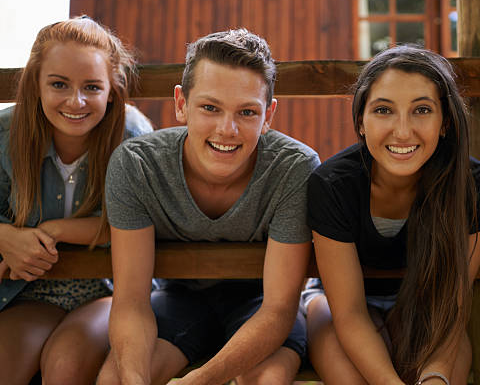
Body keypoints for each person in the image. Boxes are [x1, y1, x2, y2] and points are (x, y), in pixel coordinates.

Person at [97, 28, 320, 385]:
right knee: (116, 379)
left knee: (268, 380)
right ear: (181, 104)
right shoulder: (137, 164)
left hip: (260, 302)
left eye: (247, 112)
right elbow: (131, 302)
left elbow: (278, 309)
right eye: (210, 108)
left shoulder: (295, 168)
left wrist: (199, 381)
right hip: (177, 297)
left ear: (268, 116)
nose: (226, 129)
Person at [304, 44, 480, 385]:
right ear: (361, 122)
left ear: (445, 123)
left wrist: (435, 377)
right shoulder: (332, 184)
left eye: (422, 110)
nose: (402, 131)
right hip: (338, 305)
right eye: (383, 110)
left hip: (428, 309)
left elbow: (450, 307)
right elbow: (349, 314)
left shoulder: (473, 187)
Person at [0, 16, 153, 384]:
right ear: (35, 84)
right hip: (29, 287)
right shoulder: (7, 133)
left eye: (92, 87)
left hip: (108, 288)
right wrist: (5, 237)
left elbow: (135, 224)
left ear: (112, 89)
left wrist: (53, 230)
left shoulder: (133, 137)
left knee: (65, 367)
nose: (76, 101)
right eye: (59, 84)